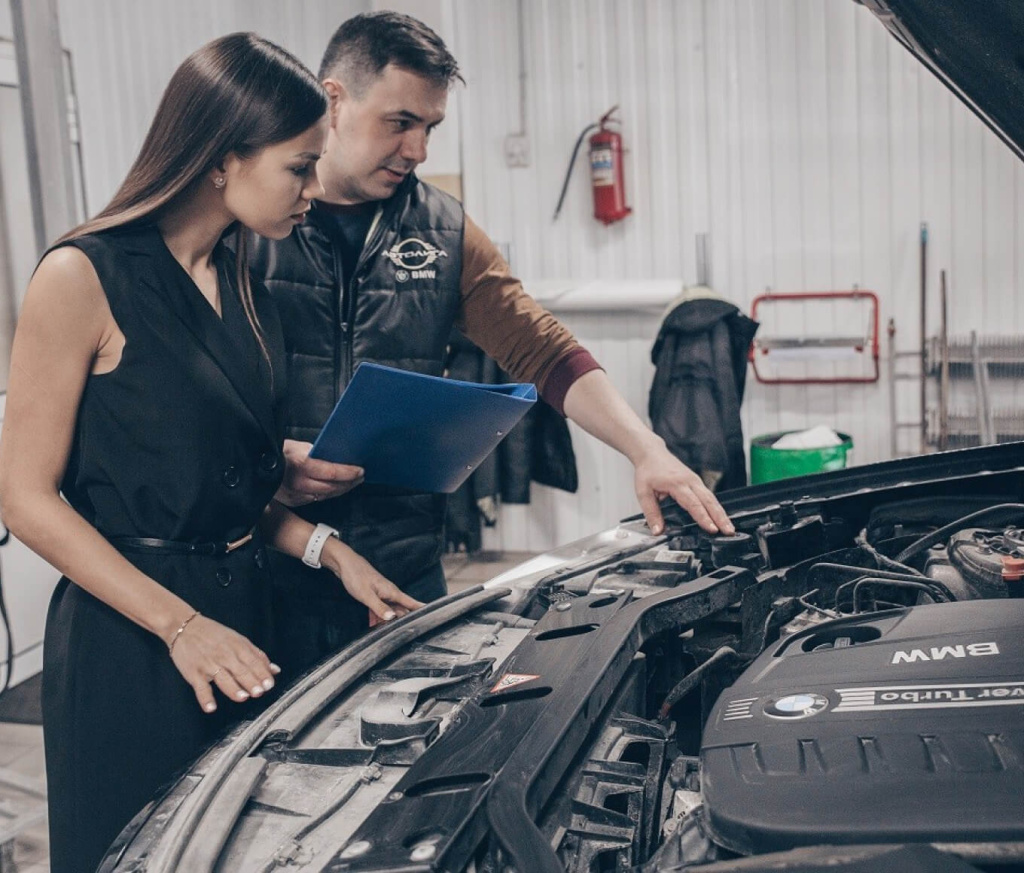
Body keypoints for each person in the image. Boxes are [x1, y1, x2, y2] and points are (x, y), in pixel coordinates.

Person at [0, 33, 419, 873]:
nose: (312, 190)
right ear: (223, 160)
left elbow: (217, 482)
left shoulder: (242, 278)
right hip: (137, 637)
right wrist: (179, 625)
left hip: (245, 620)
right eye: (298, 168)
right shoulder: (83, 276)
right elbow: (24, 498)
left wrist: (327, 548)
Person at [251, 11, 735, 678]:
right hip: (269, 560)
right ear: (334, 100)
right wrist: (263, 464)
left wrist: (646, 449)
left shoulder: (443, 231)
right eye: (400, 122)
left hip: (404, 562)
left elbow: (540, 346)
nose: (419, 150)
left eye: (430, 128)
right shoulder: (249, 226)